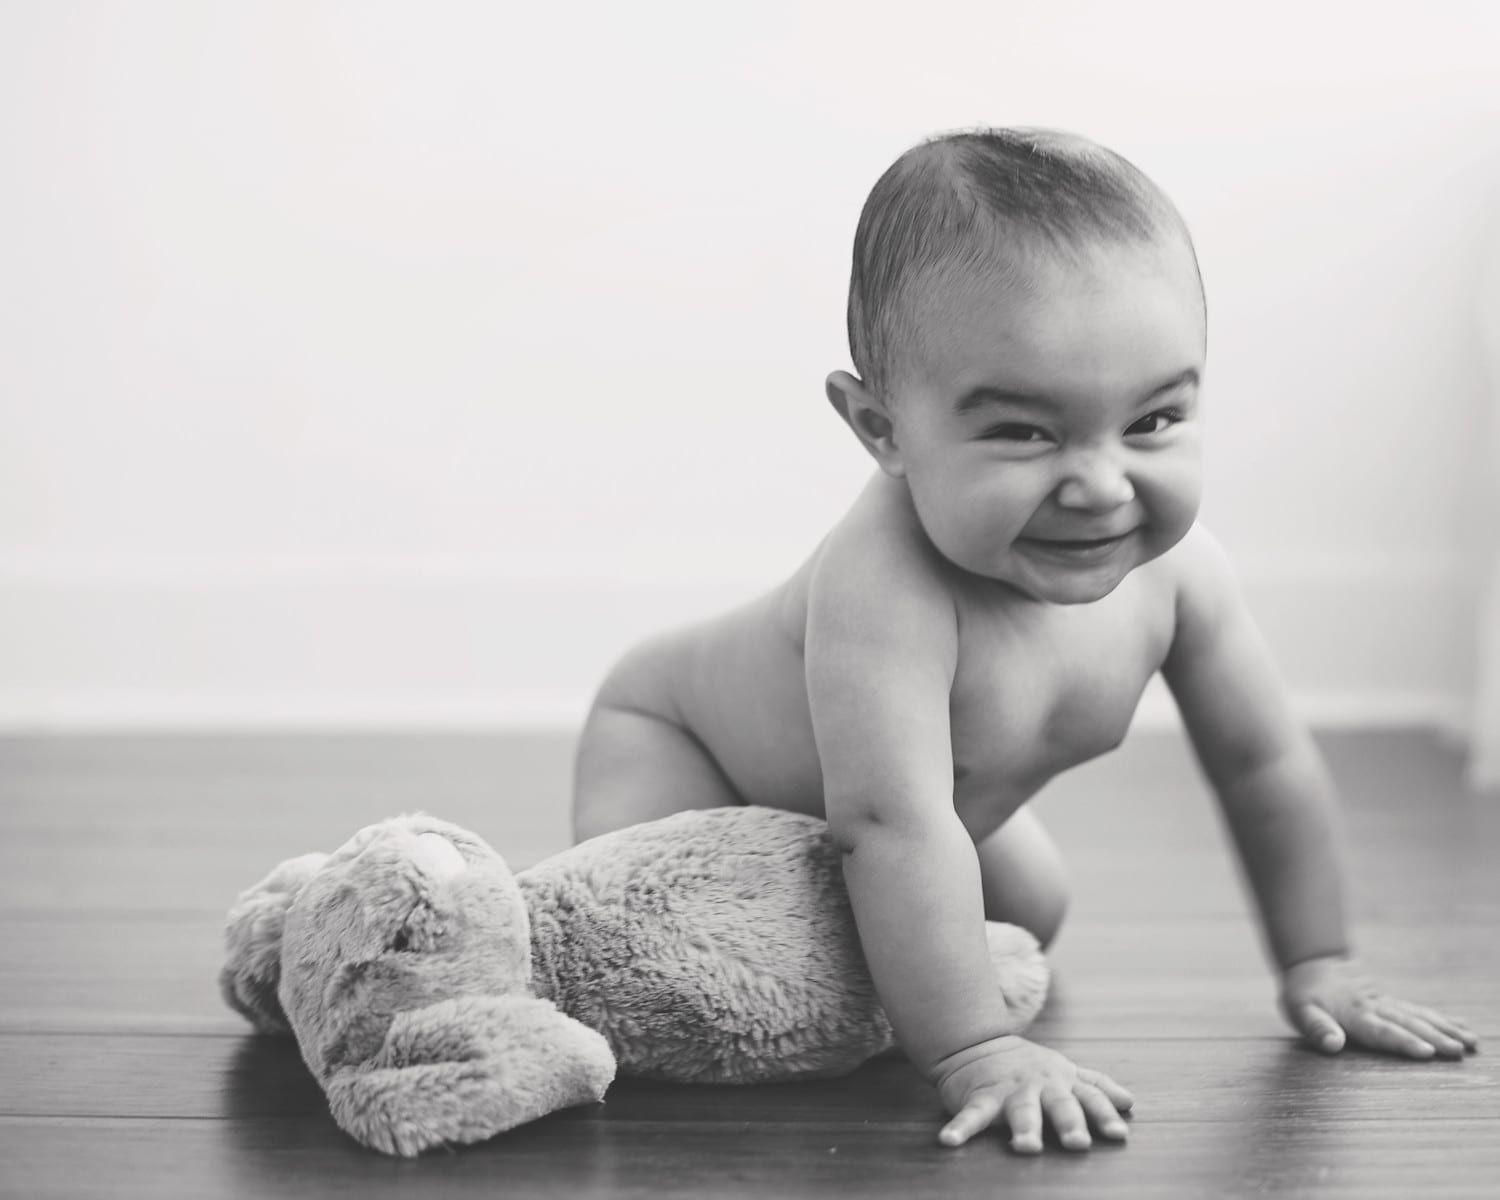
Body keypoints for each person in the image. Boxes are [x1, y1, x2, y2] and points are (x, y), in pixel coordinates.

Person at [570, 126, 1478, 1154]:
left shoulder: (1182, 578)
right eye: (1023, 431)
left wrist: (1322, 963)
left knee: (1031, 904)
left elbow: (1264, 765)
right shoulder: (887, 585)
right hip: (691, 749)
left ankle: (850, 968)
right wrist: (973, 1050)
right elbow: (886, 824)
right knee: (645, 960)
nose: (1100, 484)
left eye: (1153, 421)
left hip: (924, 810)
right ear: (882, 429)